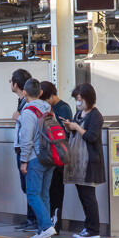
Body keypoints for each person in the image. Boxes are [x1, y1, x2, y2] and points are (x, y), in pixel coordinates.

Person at [63, 84, 105, 238]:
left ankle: (93, 230)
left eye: (80, 99)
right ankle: (88, 227)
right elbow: (75, 133)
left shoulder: (96, 116)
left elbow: (91, 137)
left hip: (89, 163)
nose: (78, 102)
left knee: (89, 197)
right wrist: (69, 127)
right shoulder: (79, 113)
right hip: (78, 162)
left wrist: (76, 126)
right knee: (83, 196)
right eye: (76, 99)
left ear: (89, 98)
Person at [18, 78, 55, 238]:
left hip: (35, 158)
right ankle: (43, 231)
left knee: (33, 194)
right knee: (44, 194)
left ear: (25, 93)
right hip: (50, 156)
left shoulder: (27, 112)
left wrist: (24, 160)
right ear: (40, 93)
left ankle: (46, 226)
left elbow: (26, 140)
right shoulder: (49, 109)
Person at [40, 80, 73, 226]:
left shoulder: (63, 108)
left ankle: (56, 223)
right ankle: (50, 222)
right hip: (51, 156)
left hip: (58, 156)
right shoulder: (53, 108)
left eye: (46, 99)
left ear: (51, 96)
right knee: (50, 191)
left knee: (56, 191)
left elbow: (61, 134)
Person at [10, 68, 36, 231]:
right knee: (26, 186)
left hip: (26, 150)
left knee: (30, 187)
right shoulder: (22, 102)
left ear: (16, 84)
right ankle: (30, 218)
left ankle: (34, 220)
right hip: (22, 149)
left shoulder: (27, 103)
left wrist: (18, 118)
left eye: (10, 81)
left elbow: (28, 126)